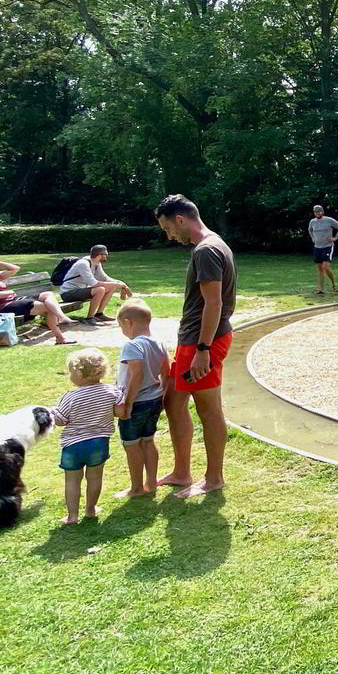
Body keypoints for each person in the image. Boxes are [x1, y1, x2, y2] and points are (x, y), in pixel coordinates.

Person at [154, 193, 237, 499]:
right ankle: (181, 472)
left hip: (204, 342)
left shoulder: (207, 250)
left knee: (208, 409)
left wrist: (203, 350)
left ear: (180, 219)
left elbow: (213, 303)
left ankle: (214, 478)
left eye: (168, 229)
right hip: (193, 339)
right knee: (173, 402)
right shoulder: (212, 245)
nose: (170, 236)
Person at [52, 349, 124, 524]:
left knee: (72, 480)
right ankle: (91, 509)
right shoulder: (112, 391)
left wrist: (52, 413)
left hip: (73, 446)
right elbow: (119, 411)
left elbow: (60, 420)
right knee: (94, 477)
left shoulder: (70, 397)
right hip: (99, 443)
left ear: (79, 373)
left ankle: (72, 516)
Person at [114, 300, 168, 498]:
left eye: (121, 326)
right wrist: (162, 395)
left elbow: (136, 374)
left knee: (131, 445)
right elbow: (166, 373)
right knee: (148, 441)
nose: (122, 330)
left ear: (128, 322)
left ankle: (136, 488)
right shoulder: (159, 343)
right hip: (154, 399)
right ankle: (151, 483)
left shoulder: (132, 345)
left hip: (136, 403)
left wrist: (127, 402)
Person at [0, 252, 77, 345]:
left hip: (13, 301)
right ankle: (60, 338)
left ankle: (62, 318)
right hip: (3, 307)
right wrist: (11, 292)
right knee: (47, 308)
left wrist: (1, 263)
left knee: (48, 294)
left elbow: (15, 268)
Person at [59, 244, 131, 323]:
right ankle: (89, 318)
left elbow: (104, 278)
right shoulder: (83, 264)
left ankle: (99, 314)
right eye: (106, 255)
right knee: (100, 289)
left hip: (80, 290)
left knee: (111, 287)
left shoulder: (96, 263)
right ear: (99, 255)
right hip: (68, 293)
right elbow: (93, 283)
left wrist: (119, 282)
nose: (107, 256)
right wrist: (116, 284)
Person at [307, 205, 338, 295]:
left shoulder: (329, 220)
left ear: (322, 212)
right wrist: (313, 239)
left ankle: (334, 284)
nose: (317, 213)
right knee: (320, 268)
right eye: (315, 212)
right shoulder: (312, 221)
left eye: (319, 211)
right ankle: (321, 289)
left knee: (326, 267)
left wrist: (335, 238)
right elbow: (310, 230)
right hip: (317, 247)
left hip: (328, 246)